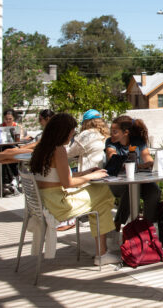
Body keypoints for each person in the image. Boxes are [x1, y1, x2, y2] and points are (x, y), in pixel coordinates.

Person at [29, 113, 119, 265]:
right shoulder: (59, 150)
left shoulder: (42, 148)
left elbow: (57, 175)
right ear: (64, 132)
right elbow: (68, 182)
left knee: (99, 199)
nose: (72, 135)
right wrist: (91, 177)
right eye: (72, 132)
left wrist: (86, 172)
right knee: (104, 194)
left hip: (43, 202)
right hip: (58, 205)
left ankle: (102, 252)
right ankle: (102, 253)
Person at [106, 115, 160, 229]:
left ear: (125, 132)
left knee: (154, 191)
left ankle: (147, 226)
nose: (111, 134)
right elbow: (112, 156)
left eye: (115, 132)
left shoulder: (138, 142)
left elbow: (147, 157)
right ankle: (119, 221)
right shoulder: (110, 143)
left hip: (138, 181)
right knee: (130, 187)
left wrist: (152, 163)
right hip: (116, 182)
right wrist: (139, 165)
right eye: (111, 131)